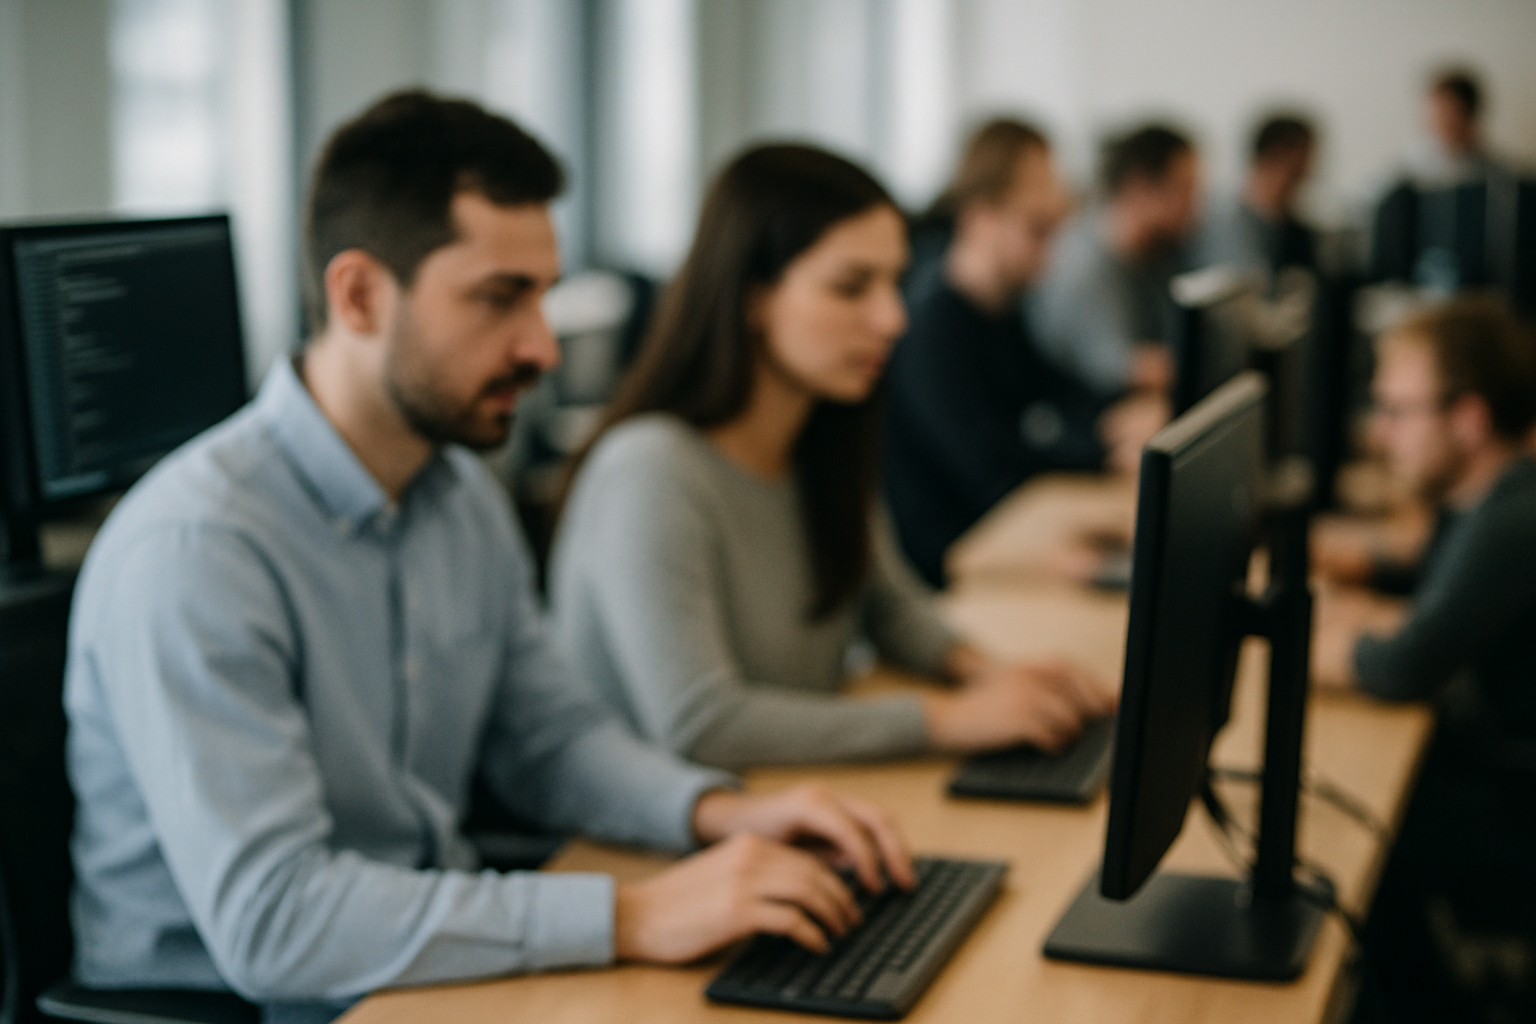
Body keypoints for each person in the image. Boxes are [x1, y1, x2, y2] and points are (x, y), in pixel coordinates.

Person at [64, 92, 922, 1024]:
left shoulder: (460, 493)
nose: (542, 346)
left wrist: (715, 813)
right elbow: (276, 921)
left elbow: (551, 740)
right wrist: (630, 914)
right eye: (499, 298)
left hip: (428, 971)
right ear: (358, 296)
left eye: (544, 295)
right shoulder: (198, 550)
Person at [548, 143, 1113, 772]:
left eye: (895, 283)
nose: (893, 319)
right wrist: (950, 719)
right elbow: (702, 724)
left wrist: (998, 675)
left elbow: (890, 608)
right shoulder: (650, 470)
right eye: (851, 287)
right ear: (753, 297)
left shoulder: (817, 438)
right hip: (655, 847)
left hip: (787, 800)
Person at [1309, 296, 1536, 1024]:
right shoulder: (1491, 496)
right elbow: (1440, 585)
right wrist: (1370, 581)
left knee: (1345, 841)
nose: (1380, 435)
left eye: (1399, 411)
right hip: (1499, 764)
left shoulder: (1514, 517)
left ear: (1468, 418)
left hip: (1517, 802)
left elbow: (1404, 665)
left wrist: (1304, 640)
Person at [883, 118, 1163, 587]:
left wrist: (1111, 418)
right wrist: (1101, 454)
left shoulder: (1002, 311)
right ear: (979, 218)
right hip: (954, 571)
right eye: (1038, 230)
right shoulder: (932, 329)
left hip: (1008, 537)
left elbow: (1058, 390)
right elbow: (990, 470)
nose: (1051, 256)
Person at [1028, 123, 1201, 398]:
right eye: (1185, 191)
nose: (1197, 207)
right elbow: (1122, 369)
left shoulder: (1157, 254)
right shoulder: (1087, 268)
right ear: (1139, 187)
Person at [1198, 114, 1317, 279]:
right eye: (1304, 160)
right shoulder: (1224, 223)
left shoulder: (1292, 228)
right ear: (1277, 154)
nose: (1310, 172)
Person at [1406, 67, 1500, 187]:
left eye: (1448, 117)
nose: (1438, 126)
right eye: (1436, 117)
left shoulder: (1500, 181)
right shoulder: (1409, 185)